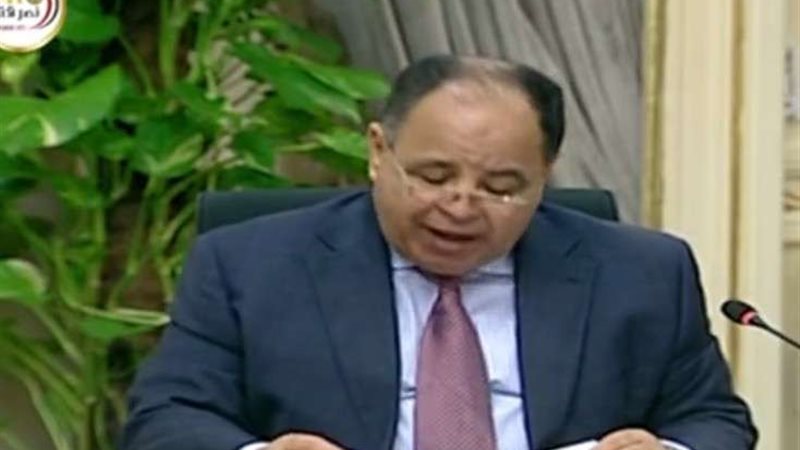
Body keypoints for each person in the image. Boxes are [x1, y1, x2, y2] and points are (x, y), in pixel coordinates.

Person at [121, 55, 756, 450]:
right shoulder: (249, 266)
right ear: (378, 152)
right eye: (432, 176)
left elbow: (713, 421)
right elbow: (166, 418)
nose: (460, 206)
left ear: (545, 174)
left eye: (501, 187)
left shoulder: (643, 273)